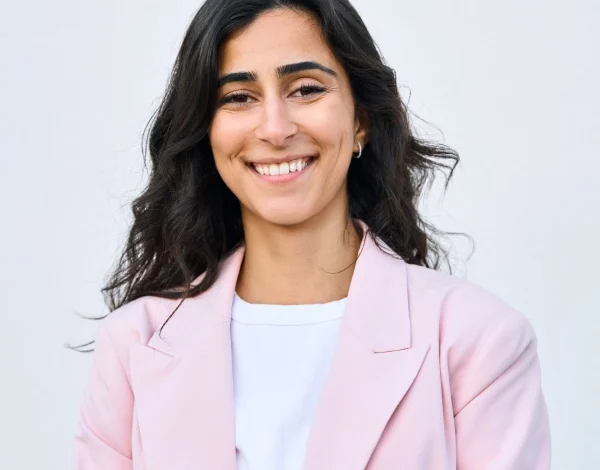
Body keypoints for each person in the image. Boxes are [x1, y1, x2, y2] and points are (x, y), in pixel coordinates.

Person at [73, 0, 551, 469]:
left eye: (305, 89)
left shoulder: (479, 340)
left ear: (361, 119)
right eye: (238, 97)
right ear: (206, 131)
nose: (275, 129)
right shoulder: (133, 344)